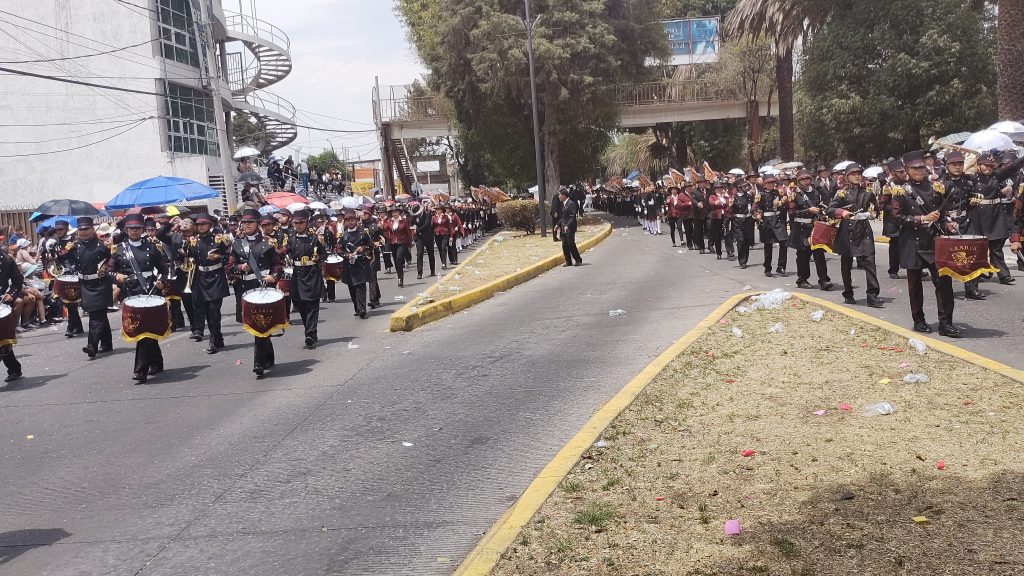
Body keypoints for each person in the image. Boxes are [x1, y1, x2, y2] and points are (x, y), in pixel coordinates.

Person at [891, 150, 960, 336]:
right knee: (915, 286)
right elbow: (896, 218)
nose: (919, 170)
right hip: (912, 242)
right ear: (906, 169)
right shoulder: (900, 191)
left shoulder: (936, 188)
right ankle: (919, 320)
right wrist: (921, 218)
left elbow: (941, 215)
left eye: (921, 167)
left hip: (934, 241)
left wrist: (948, 224)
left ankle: (946, 323)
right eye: (915, 168)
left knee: (944, 283)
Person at [110, 214, 169, 383]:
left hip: (151, 293)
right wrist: (117, 276)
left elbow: (165, 270)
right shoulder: (119, 249)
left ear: (143, 230)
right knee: (144, 330)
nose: (134, 231)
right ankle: (156, 362)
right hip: (131, 294)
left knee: (145, 331)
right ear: (126, 230)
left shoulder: (151, 247)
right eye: (131, 228)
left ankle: (140, 370)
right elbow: (107, 271)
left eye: (138, 228)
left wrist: (161, 281)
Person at [229, 209, 282, 377]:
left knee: (262, 322)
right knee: (257, 325)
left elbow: (277, 266)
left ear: (258, 224)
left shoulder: (268, 243)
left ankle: (258, 364)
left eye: (250, 222)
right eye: (244, 223)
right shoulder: (237, 244)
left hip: (264, 286)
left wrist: (273, 277)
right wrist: (239, 267)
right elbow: (229, 266)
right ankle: (268, 356)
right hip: (245, 288)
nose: (246, 226)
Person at [58, 217, 115, 358]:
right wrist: (60, 252)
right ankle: (107, 343)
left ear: (92, 229)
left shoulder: (102, 245)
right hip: (85, 284)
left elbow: (114, 258)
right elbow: (63, 259)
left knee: (96, 315)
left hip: (101, 283)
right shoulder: (74, 247)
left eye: (86, 229)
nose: (83, 232)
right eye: (81, 229)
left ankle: (92, 345)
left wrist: (108, 267)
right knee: (99, 314)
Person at [828, 163, 883, 308]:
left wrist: (874, 213)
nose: (857, 176)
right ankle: (848, 292)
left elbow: (876, 209)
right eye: (853, 174)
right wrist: (842, 213)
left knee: (870, 262)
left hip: (864, 230)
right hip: (848, 231)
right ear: (846, 177)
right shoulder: (842, 194)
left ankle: (872, 295)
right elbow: (830, 210)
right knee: (846, 265)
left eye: (859, 173)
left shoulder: (868, 193)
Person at [968, 151, 1024, 285]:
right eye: (984, 165)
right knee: (980, 248)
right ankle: (979, 273)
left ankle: (1004, 275)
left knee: (996, 247)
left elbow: (1012, 167)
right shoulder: (972, 178)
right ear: (979, 165)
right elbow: (960, 184)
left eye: (990, 166)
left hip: (995, 215)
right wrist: (968, 165)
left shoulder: (996, 176)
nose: (987, 168)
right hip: (978, 216)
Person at [186, 213, 231, 353]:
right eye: (198, 225)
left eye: (204, 224)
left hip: (216, 276)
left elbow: (230, 257)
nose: (201, 227)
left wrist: (219, 257)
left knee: (214, 311)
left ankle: (213, 340)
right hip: (201, 277)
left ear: (210, 225)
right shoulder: (194, 241)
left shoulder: (219, 240)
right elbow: (189, 257)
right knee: (207, 311)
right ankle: (218, 339)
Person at [285, 209, 327, 348]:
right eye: (295, 223)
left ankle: (310, 333)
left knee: (312, 305)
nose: (297, 225)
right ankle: (310, 331)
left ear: (306, 223)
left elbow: (323, 254)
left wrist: (318, 258)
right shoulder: (291, 239)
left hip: (312, 273)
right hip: (297, 275)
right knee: (301, 305)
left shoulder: (314, 238)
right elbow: (284, 252)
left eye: (300, 223)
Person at [790, 170, 833, 290]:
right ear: (798, 181)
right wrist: (808, 211)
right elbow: (792, 213)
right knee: (803, 255)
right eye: (803, 179)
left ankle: (824, 280)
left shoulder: (815, 192)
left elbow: (823, 203)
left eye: (808, 179)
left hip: (814, 227)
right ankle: (802, 280)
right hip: (801, 228)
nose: (806, 181)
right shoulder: (794, 194)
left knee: (819, 253)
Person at [48, 220, 84, 338]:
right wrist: (51, 254)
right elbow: (54, 259)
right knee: (65, 300)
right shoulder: (56, 243)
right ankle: (78, 326)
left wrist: (69, 251)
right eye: (56, 230)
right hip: (61, 274)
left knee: (71, 302)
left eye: (60, 229)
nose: (58, 232)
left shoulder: (74, 241)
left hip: (72, 274)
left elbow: (78, 257)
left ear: (66, 229)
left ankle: (71, 327)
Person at [337, 210, 374, 319]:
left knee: (360, 286)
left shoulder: (363, 233)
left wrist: (363, 248)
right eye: (348, 221)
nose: (350, 223)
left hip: (361, 263)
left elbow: (371, 245)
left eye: (352, 220)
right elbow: (338, 249)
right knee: (352, 287)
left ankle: (362, 308)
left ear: (356, 221)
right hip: (349, 264)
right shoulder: (343, 235)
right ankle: (357, 308)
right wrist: (346, 255)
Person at [756, 175, 790, 277]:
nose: (771, 185)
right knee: (768, 245)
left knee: (784, 242)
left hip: (778, 220)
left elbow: (786, 205)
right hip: (766, 221)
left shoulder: (778, 193)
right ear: (764, 184)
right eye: (769, 183)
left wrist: (782, 203)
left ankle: (781, 266)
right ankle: (767, 267)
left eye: (773, 183)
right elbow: (755, 207)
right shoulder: (760, 195)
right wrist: (757, 214)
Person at [0, 247, 23, 382]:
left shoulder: (7, 260)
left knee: (3, 342)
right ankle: (14, 367)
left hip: (1, 303)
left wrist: (11, 294)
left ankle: (14, 368)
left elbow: (18, 281)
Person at [384, 206, 413, 287]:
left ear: (399, 212)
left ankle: (401, 277)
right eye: (393, 212)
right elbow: (385, 228)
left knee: (399, 258)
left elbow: (408, 233)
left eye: (396, 211)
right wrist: (387, 221)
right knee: (396, 261)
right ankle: (399, 277)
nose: (394, 213)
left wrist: (409, 245)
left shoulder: (403, 221)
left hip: (402, 243)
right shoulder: (390, 221)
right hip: (393, 243)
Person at [731, 180, 756, 269]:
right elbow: (730, 209)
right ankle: (741, 261)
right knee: (740, 240)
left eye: (746, 186)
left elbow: (753, 205)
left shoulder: (749, 196)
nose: (746, 187)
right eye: (744, 186)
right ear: (739, 187)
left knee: (746, 240)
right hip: (738, 220)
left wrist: (754, 210)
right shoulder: (734, 197)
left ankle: (745, 260)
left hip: (748, 220)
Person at [558, 188, 583, 267]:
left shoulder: (571, 203)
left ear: (564, 195)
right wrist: (557, 225)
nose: (559, 196)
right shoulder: (563, 204)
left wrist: (567, 225)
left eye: (559, 195)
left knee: (571, 244)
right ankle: (568, 261)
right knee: (564, 245)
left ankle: (578, 259)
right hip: (563, 227)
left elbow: (572, 217)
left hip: (570, 228)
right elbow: (563, 217)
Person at [413, 202, 436, 279]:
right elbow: (411, 224)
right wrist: (413, 227)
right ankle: (419, 272)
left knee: (431, 254)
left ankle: (432, 270)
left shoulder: (428, 214)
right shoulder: (414, 216)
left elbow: (426, 224)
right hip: (419, 238)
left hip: (428, 236)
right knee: (419, 255)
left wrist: (417, 229)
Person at [432, 205, 454, 270]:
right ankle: (443, 262)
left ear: (441, 210)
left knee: (443, 248)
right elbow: (432, 226)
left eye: (439, 209)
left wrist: (451, 236)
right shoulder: (433, 217)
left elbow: (449, 227)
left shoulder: (446, 217)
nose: (437, 211)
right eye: (436, 209)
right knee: (440, 249)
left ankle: (444, 263)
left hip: (445, 234)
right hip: (437, 234)